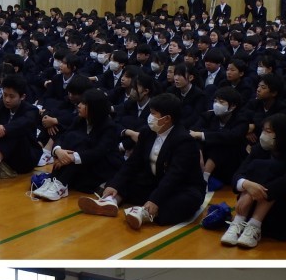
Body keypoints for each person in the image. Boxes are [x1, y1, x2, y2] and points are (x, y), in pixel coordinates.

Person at [77, 92, 206, 230]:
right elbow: (133, 162)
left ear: (167, 118)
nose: (150, 117)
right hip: (154, 181)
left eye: (153, 113)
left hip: (181, 187)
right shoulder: (147, 132)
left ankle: (144, 213)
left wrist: (155, 200)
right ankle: (110, 201)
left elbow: (174, 176)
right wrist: (115, 185)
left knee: (186, 201)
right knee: (123, 180)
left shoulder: (184, 141)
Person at [221, 113, 286, 250]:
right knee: (257, 167)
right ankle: (239, 222)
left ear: (281, 134)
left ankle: (254, 226)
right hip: (257, 204)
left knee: (269, 168)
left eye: (268, 131)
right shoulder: (259, 149)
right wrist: (247, 185)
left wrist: (252, 195)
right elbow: (238, 173)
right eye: (263, 130)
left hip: (285, 207)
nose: (263, 135)